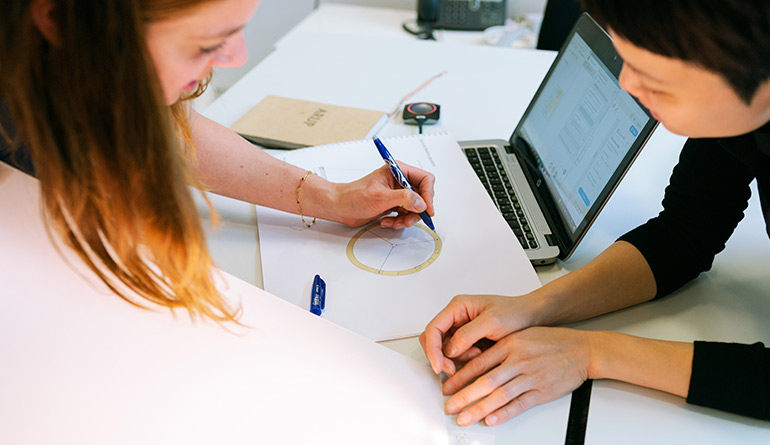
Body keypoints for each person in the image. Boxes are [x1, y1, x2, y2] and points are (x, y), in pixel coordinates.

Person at [420, 0, 770, 427]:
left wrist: (591, 353)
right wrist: (532, 308)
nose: (627, 85)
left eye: (654, 77)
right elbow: (685, 235)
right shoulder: (735, 111)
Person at [0, 0, 435, 323]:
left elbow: (170, 128)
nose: (238, 56)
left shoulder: (87, 68)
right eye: (207, 43)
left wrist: (333, 198)